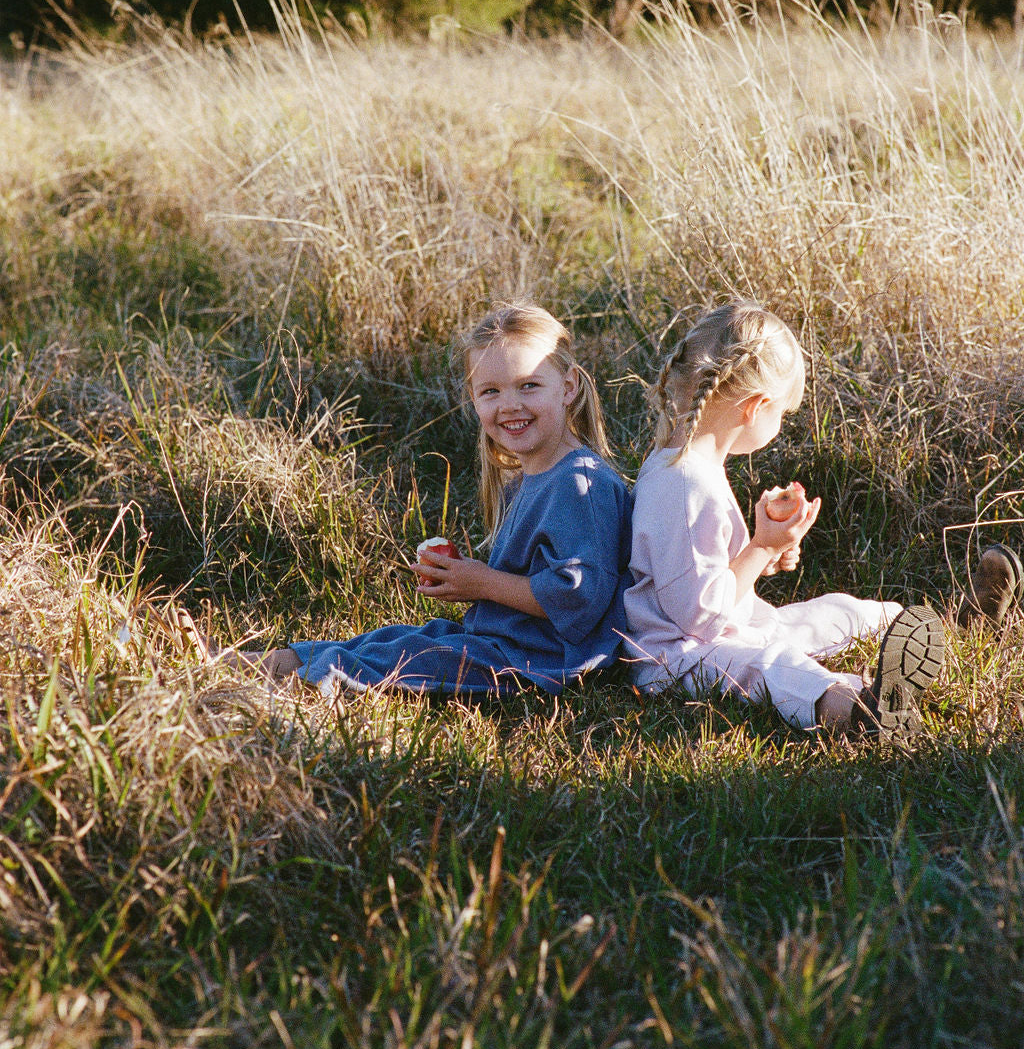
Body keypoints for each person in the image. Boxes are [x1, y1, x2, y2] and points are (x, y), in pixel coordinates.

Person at [623, 298, 1019, 738]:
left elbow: (702, 572)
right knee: (772, 668)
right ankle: (861, 711)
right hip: (677, 658)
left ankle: (952, 625)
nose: (780, 426)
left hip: (734, 625)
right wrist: (762, 547)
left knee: (837, 612)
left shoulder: (687, 467)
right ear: (755, 407)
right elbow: (699, 615)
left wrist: (764, 554)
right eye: (782, 415)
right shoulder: (685, 486)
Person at [223, 303, 632, 696]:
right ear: (472, 397)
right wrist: (468, 580)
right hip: (506, 640)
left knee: (411, 656)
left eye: (529, 385)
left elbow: (579, 598)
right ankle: (252, 662)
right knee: (399, 638)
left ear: (569, 387)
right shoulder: (531, 476)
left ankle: (292, 680)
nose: (510, 405)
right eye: (490, 391)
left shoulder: (579, 483)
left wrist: (483, 583)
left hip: (539, 660)